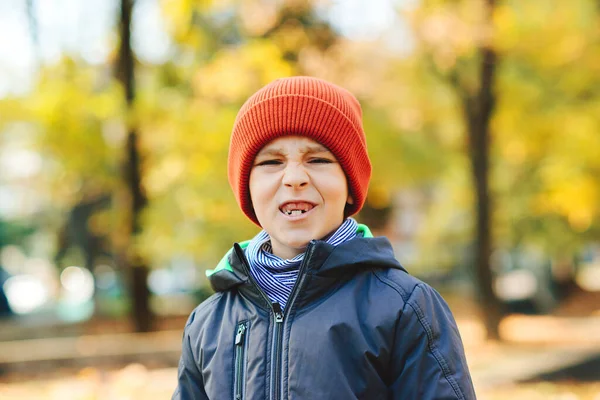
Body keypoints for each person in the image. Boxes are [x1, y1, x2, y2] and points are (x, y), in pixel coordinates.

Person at [173, 76, 476, 399]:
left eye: (317, 160)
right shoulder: (208, 322)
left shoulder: (404, 308)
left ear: (349, 186)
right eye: (272, 162)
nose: (294, 178)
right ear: (247, 188)